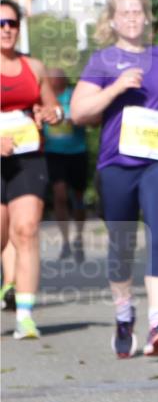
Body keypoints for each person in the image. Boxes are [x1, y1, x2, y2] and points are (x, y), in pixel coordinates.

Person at [71, 0, 158, 358]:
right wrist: (116, 88)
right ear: (113, 20)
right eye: (125, 13)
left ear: (146, 17)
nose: (132, 18)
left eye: (138, 11)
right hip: (116, 164)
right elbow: (79, 112)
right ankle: (124, 316)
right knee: (121, 245)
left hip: (157, 160)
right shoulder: (102, 61)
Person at [1, 0, 61, 339]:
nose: (6, 29)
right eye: (0, 24)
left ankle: (25, 316)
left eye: (11, 23)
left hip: (28, 156)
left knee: (25, 230)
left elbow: (50, 105)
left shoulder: (33, 67)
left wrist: (52, 113)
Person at [44, 67, 89, 263]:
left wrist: (74, 117)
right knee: (59, 195)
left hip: (77, 152)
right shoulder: (44, 98)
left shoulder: (73, 95)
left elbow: (86, 116)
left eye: (57, 76)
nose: (53, 80)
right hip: (53, 154)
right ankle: (65, 242)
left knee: (78, 198)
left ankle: (78, 238)